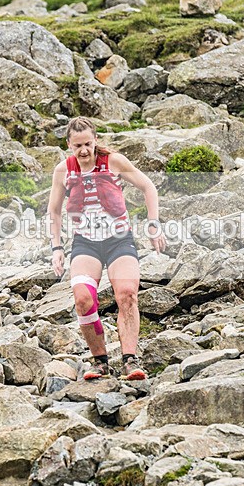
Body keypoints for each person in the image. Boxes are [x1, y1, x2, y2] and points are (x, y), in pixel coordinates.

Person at [47, 116, 166, 381]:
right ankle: (100, 361)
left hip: (119, 240)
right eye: (77, 146)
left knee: (126, 294)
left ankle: (129, 359)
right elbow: (53, 211)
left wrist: (154, 223)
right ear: (68, 144)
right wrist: (57, 247)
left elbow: (148, 186)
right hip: (85, 242)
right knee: (83, 299)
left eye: (88, 144)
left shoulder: (114, 161)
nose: (84, 150)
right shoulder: (63, 170)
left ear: (95, 140)